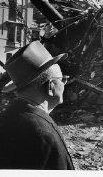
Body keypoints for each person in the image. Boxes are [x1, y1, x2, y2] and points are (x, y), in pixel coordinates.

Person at [0, 40, 75, 170]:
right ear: (51, 86)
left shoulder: (6, 117)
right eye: (62, 79)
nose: (64, 84)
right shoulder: (44, 134)